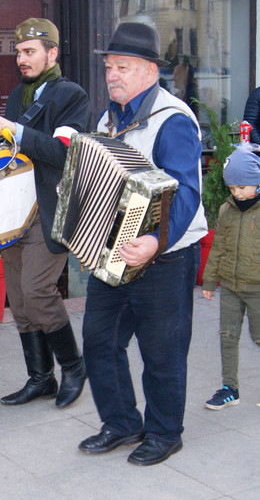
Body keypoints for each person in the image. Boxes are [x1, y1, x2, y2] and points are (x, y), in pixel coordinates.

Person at [78, 23, 208, 466]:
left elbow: (186, 192)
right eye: (110, 67)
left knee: (162, 349)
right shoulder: (107, 118)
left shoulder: (172, 120)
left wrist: (154, 239)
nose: (112, 75)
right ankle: (121, 423)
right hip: (112, 252)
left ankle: (165, 432)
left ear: (150, 71)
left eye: (123, 67)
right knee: (98, 339)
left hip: (165, 256)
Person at [0, 18, 90, 408]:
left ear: (52, 53)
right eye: (18, 53)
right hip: (12, 213)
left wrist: (14, 130)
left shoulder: (72, 95)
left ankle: (74, 367)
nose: (21, 60)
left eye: (29, 52)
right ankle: (40, 378)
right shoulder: (15, 95)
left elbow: (60, 152)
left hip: (49, 209)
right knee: (21, 303)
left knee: (39, 292)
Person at [201, 145, 260, 410]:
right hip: (231, 289)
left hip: (257, 289)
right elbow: (218, 248)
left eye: (241, 187)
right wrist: (210, 281)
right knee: (228, 337)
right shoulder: (227, 210)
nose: (236, 193)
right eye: (232, 188)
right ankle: (229, 388)